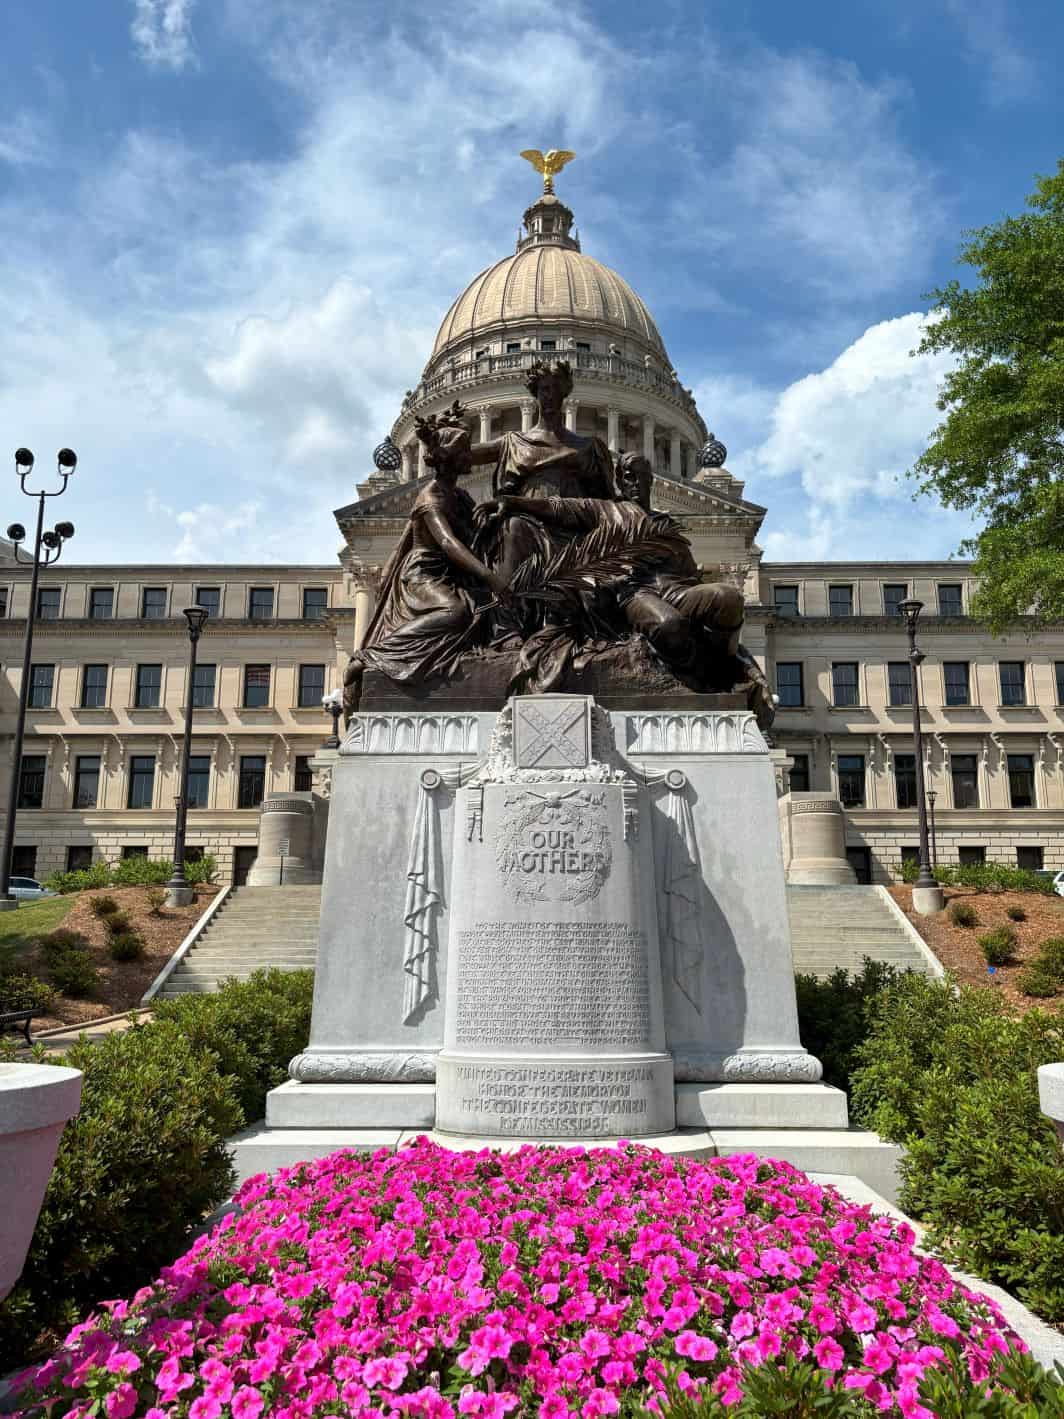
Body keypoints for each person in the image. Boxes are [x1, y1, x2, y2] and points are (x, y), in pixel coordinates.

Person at [475, 452, 774, 721]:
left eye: (640, 476)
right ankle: (700, 679)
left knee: (729, 597)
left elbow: (689, 571)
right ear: (618, 482)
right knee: (669, 625)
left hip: (677, 589)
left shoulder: (665, 523)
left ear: (651, 480)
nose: (634, 483)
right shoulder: (605, 511)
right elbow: (556, 506)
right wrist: (511, 501)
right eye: (628, 477)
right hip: (637, 592)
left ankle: (727, 668)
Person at [343, 402, 508, 709]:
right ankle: (369, 657)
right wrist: (489, 577)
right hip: (424, 575)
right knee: (454, 611)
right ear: (449, 458)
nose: (471, 455)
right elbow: (448, 543)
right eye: (465, 451)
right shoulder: (431, 497)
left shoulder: (460, 495)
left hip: (454, 575)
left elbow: (477, 537)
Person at [470, 360, 616, 591]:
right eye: (544, 389)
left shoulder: (590, 448)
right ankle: (506, 605)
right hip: (526, 523)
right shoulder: (514, 442)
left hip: (575, 527)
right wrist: (442, 442)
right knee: (513, 528)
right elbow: (463, 455)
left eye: (556, 389)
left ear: (565, 393)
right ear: (535, 393)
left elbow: (608, 503)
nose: (550, 396)